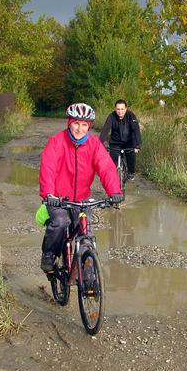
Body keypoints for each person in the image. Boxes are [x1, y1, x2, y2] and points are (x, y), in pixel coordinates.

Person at [38, 102, 124, 273]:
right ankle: (49, 254)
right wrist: (48, 194)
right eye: (76, 123)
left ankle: (88, 275)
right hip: (58, 199)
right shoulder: (57, 142)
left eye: (84, 125)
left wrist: (114, 191)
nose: (79, 129)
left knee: (86, 234)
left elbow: (106, 168)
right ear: (69, 123)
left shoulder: (94, 145)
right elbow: (48, 168)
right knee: (60, 223)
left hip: (82, 199)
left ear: (89, 126)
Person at [99, 99, 142, 181]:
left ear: (126, 109)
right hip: (115, 143)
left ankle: (131, 173)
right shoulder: (111, 116)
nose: (120, 111)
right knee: (113, 164)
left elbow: (136, 130)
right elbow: (105, 130)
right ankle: (115, 183)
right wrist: (99, 144)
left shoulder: (131, 116)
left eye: (122, 109)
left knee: (131, 157)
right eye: (118, 109)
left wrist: (138, 145)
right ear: (115, 109)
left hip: (129, 142)